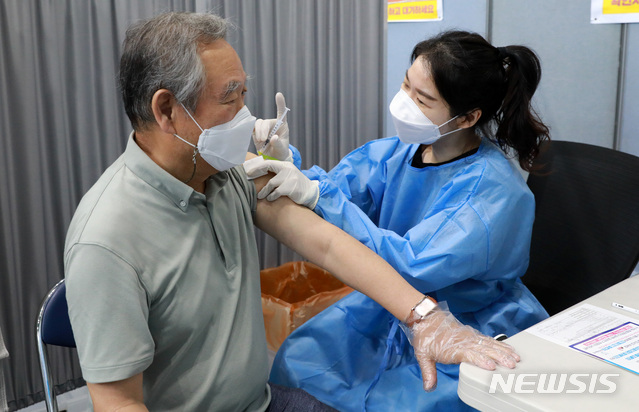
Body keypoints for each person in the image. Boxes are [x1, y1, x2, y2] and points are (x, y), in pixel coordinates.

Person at [63, 14, 521, 412]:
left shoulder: (227, 173)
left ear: (467, 117)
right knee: (306, 361)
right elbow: (118, 401)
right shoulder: (107, 241)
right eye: (231, 97)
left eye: (245, 93)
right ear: (166, 109)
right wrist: (308, 181)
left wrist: (424, 317)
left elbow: (324, 240)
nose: (247, 115)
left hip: (262, 399)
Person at [246, 30, 551, 411]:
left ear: (468, 117)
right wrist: (287, 164)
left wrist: (319, 195)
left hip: (461, 321)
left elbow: (412, 265)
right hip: (392, 307)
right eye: (406, 86)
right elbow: (339, 191)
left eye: (422, 99)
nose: (404, 103)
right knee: (297, 360)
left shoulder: (490, 193)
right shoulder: (402, 151)